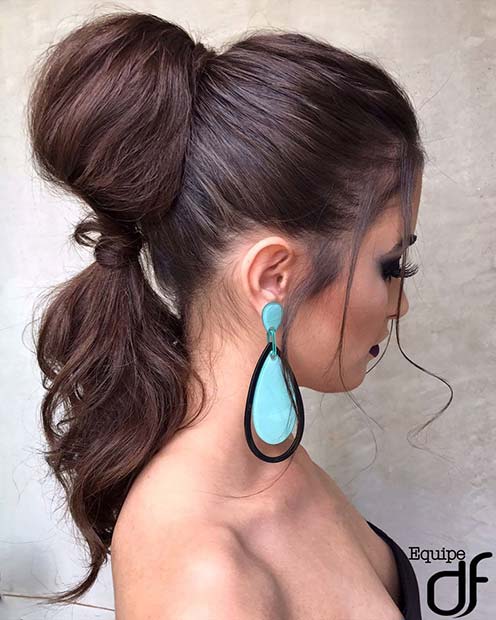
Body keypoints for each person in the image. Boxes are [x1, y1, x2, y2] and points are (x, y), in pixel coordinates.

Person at [27, 10, 427, 619]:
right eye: (392, 266)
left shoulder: (270, 460)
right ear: (272, 277)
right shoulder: (205, 584)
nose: (401, 305)